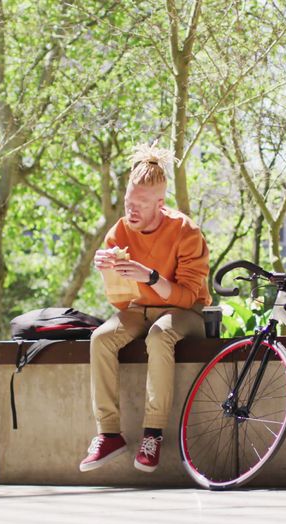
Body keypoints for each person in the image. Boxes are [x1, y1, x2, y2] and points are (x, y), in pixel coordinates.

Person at [79, 143, 211, 473]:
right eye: (128, 204)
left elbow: (186, 297)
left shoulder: (185, 231)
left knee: (159, 335)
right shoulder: (119, 231)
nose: (131, 212)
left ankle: (152, 434)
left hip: (186, 314)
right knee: (101, 338)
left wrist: (150, 276)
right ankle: (108, 433)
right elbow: (122, 303)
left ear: (160, 204)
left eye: (140, 205)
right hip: (141, 310)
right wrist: (109, 271)